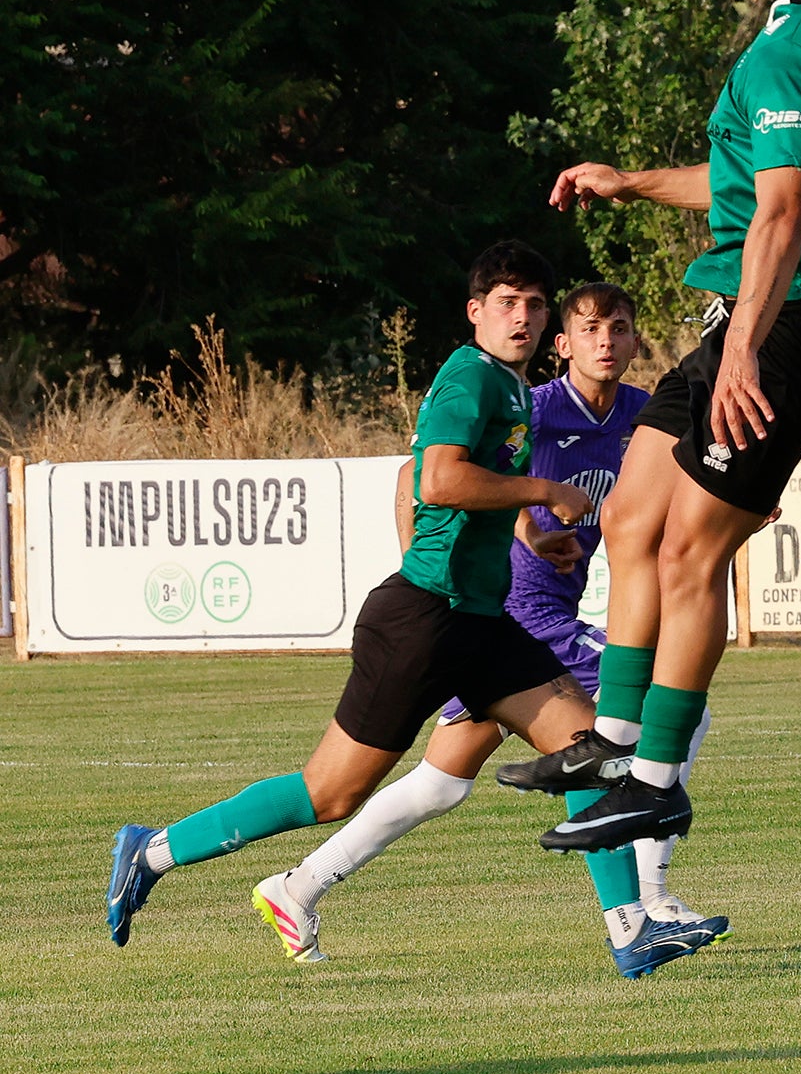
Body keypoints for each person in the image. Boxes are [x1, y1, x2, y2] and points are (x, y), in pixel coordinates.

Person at [104, 245, 692, 978]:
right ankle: (153, 850)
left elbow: (476, 486)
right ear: (476, 310)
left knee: (589, 750)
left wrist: (533, 531)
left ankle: (631, 930)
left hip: (483, 623)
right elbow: (435, 479)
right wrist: (543, 496)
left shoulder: (509, 388)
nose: (524, 317)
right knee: (331, 791)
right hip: (426, 619)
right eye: (508, 302)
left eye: (535, 305)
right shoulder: (468, 376)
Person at [492, 0, 801, 858]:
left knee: (691, 552)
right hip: (752, 319)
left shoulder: (795, 52)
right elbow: (745, 184)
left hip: (784, 329)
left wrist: (744, 354)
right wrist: (630, 180)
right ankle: (612, 749)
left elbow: (781, 211)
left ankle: (657, 782)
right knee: (630, 513)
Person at [248, 282, 726, 971]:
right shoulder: (530, 406)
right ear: (561, 345)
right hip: (513, 613)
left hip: (530, 620)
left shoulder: (643, 415)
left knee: (440, 783)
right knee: (670, 709)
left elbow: (688, 478)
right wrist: (463, 563)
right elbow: (421, 473)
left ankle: (297, 889)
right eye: (590, 329)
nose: (605, 341)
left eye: (619, 329)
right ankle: (648, 904)